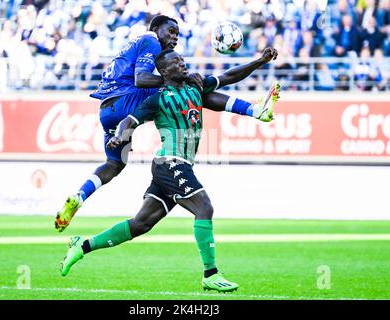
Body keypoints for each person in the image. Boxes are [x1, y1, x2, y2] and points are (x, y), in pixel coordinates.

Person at [59, 48, 281, 293]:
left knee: (141, 224)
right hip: (170, 163)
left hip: (179, 165)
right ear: (163, 71)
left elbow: (229, 76)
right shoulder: (157, 98)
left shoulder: (195, 86)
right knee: (204, 207)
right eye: (176, 62)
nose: (182, 64)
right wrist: (119, 138)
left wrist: (260, 60)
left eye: (182, 60)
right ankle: (211, 273)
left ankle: (82, 246)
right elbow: (129, 121)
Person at [54, 15, 280, 233]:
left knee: (114, 164)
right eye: (171, 32)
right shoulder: (150, 40)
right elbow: (140, 79)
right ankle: (253, 109)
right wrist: (179, 80)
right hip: (127, 100)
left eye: (178, 35)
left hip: (107, 110)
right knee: (194, 89)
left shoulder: (136, 45)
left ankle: (79, 196)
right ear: (156, 29)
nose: (175, 38)